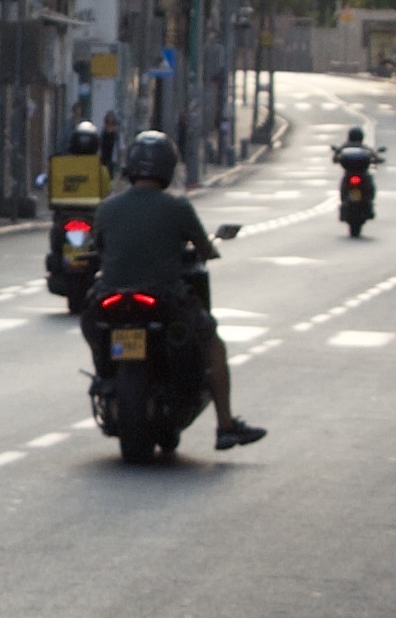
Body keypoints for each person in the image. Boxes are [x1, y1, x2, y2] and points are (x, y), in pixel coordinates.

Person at [85, 127, 266, 451]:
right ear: (167, 168)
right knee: (212, 344)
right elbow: (204, 250)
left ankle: (105, 373)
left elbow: (97, 247)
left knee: (93, 326)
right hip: (165, 299)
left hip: (111, 298)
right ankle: (225, 424)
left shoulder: (108, 208)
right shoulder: (177, 208)